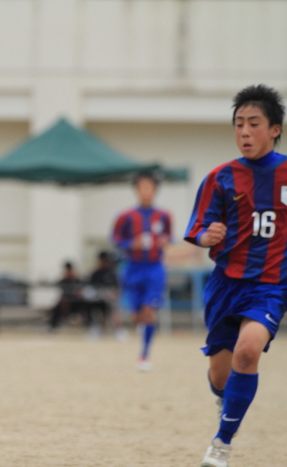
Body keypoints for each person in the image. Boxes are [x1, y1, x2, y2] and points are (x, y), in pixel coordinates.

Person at [184, 84, 285, 467]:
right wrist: (205, 235)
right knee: (220, 375)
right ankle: (222, 400)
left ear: (274, 129)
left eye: (253, 123)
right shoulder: (220, 178)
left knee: (248, 350)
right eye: (239, 123)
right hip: (225, 285)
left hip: (272, 285)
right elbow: (198, 227)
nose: (244, 131)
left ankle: (221, 444)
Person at [112, 171, 172, 371]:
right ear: (136, 191)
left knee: (149, 310)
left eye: (150, 187)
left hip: (155, 268)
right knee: (136, 315)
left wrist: (165, 241)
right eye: (142, 187)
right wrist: (131, 243)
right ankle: (139, 324)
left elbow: (169, 236)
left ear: (155, 191)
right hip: (133, 268)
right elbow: (115, 239)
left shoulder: (163, 216)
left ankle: (144, 355)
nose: (146, 191)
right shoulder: (126, 216)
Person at [48, 261, 84, 330]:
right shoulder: (63, 281)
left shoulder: (77, 280)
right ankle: (53, 326)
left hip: (77, 302)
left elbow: (81, 292)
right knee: (56, 309)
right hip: (66, 303)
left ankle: (89, 325)